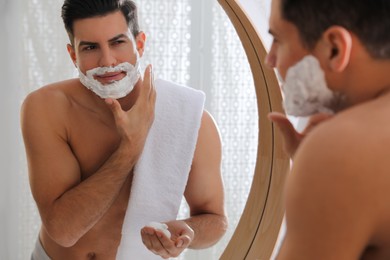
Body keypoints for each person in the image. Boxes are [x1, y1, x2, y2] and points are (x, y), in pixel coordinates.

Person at [21, 0, 227, 259]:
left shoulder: (190, 117)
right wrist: (130, 147)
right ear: (73, 55)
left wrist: (189, 231)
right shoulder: (47, 108)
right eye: (90, 47)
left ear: (139, 44)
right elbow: (64, 231)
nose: (107, 61)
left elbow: (216, 220)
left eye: (118, 42)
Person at [265, 0, 390, 259]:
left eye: (278, 39)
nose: (270, 60)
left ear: (334, 48)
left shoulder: (346, 149)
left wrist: (320, 167)